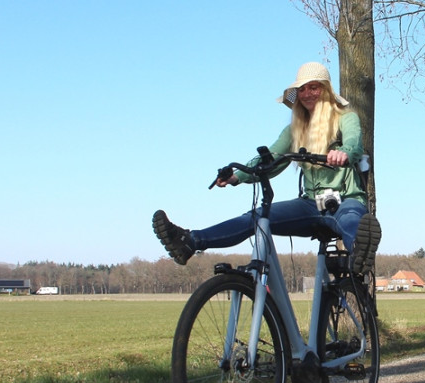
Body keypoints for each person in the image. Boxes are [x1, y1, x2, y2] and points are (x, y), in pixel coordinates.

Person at [152, 61, 382, 276]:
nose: (307, 94)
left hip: (346, 200)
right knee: (257, 217)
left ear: (326, 91)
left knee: (353, 218)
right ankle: (190, 242)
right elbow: (271, 158)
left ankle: (360, 256)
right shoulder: (294, 131)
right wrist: (236, 176)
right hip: (310, 204)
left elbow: (353, 144)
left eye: (314, 87)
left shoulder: (346, 118)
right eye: (302, 89)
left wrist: (342, 153)